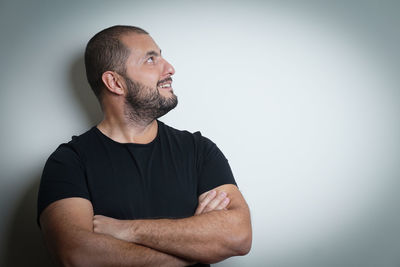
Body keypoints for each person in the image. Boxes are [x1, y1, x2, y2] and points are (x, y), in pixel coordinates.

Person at [37, 25, 252, 266]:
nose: (170, 68)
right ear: (115, 83)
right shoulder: (69, 162)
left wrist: (128, 230)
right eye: (151, 59)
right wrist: (197, 246)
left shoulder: (199, 150)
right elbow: (77, 255)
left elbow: (238, 236)